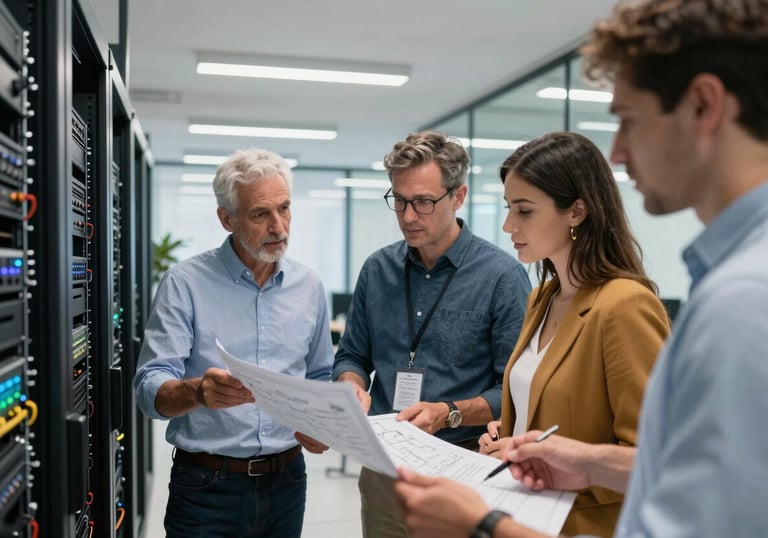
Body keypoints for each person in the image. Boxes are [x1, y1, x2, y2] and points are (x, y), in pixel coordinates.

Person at [395, 0, 768, 536]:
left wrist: (481, 526)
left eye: (629, 119)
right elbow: (679, 466)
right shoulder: (545, 295)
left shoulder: (737, 296)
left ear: (704, 104)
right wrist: (560, 453)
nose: (617, 152)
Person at [333, 130, 531, 537]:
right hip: (385, 467)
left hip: (462, 472)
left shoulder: (502, 277)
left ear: (458, 196)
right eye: (400, 200)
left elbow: (514, 390)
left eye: (423, 202)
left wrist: (449, 412)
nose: (408, 216)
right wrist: (350, 383)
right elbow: (352, 355)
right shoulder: (377, 269)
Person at [472, 131, 669, 537]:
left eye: (524, 211)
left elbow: (654, 459)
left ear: (576, 211)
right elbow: (546, 406)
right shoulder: (542, 297)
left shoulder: (625, 305)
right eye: (509, 208)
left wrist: (551, 462)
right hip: (523, 516)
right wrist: (509, 434)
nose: (509, 225)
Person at [134, 148, 334, 538]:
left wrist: (323, 421)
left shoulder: (309, 287)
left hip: (288, 480)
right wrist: (197, 392)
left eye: (285, 208)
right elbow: (148, 389)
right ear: (227, 218)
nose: (279, 226)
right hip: (207, 487)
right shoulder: (185, 284)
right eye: (261, 214)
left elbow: (321, 374)